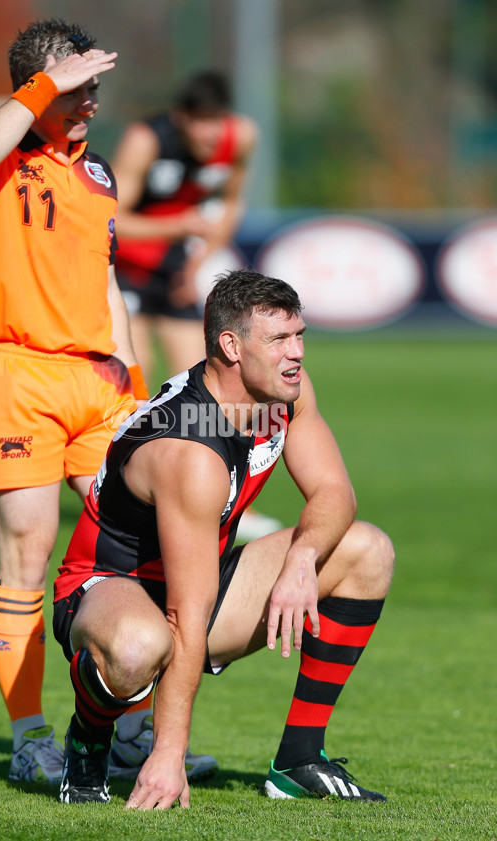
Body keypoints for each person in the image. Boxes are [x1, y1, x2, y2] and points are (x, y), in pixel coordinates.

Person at [52, 268, 395, 808]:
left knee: (366, 550)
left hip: (200, 580)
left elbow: (334, 491)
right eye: (279, 339)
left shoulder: (285, 393)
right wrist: (169, 753)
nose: (297, 353)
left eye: (299, 335)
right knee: (141, 646)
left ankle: (298, 760)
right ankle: (90, 741)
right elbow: (188, 611)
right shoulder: (191, 450)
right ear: (231, 346)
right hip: (108, 587)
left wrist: (303, 557)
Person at [0, 17, 152, 785]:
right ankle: (31, 736)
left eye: (94, 88)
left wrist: (130, 380)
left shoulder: (98, 176)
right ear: (40, 86)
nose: (91, 102)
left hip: (97, 382)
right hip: (18, 374)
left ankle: (131, 728)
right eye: (78, 88)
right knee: (26, 556)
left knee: (135, 551)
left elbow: (106, 283)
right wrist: (44, 88)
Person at [112, 69, 281, 542]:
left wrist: (198, 263)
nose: (212, 133)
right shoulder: (147, 139)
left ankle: (229, 502)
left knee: (217, 389)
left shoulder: (241, 136)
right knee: (137, 385)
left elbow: (229, 204)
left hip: (173, 272)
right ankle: (134, 497)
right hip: (121, 271)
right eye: (201, 122)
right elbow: (112, 221)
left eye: (217, 121)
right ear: (181, 118)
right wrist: (182, 224)